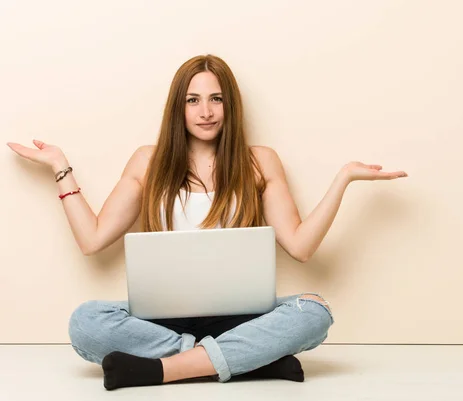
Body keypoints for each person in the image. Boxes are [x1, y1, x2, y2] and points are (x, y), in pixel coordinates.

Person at [7, 54, 408, 390]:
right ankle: (252, 362)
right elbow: (93, 240)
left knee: (315, 312)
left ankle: (164, 370)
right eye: (193, 100)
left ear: (230, 104)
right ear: (177, 107)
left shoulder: (259, 161)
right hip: (163, 316)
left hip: (240, 314)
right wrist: (61, 167)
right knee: (86, 322)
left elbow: (300, 248)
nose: (206, 112)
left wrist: (343, 179)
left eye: (216, 99)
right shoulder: (149, 161)